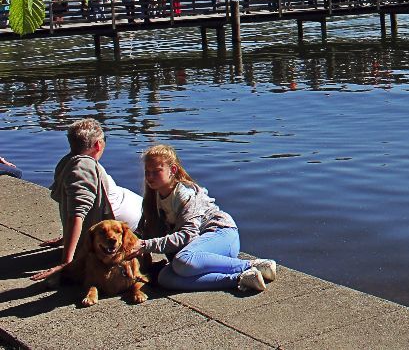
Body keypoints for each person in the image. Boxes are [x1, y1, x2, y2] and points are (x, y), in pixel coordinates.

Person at [128, 144, 277, 294]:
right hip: (199, 252)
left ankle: (252, 265)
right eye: (147, 172)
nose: (150, 177)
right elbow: (142, 233)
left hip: (222, 235)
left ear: (172, 170)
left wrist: (145, 245)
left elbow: (187, 235)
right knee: (165, 278)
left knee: (182, 261)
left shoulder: (185, 194)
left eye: (156, 171)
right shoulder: (154, 197)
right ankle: (240, 278)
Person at [29, 118, 143, 283]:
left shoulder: (71, 160)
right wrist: (66, 265)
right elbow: (77, 214)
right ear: (98, 144)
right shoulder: (83, 168)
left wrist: (65, 237)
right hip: (126, 232)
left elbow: (73, 202)